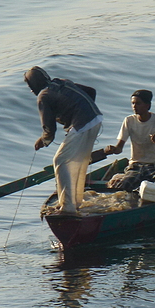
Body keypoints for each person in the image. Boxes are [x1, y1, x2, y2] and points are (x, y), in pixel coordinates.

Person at [24, 66, 102, 216]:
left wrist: (43, 141)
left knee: (60, 160)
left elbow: (49, 130)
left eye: (29, 86)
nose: (31, 90)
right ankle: (75, 202)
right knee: (77, 160)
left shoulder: (43, 96)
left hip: (83, 124)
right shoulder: (62, 82)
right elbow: (91, 91)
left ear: (33, 85)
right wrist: (83, 111)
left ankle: (67, 208)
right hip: (96, 119)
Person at [104, 89, 155, 191]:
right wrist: (112, 149)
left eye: (138, 103)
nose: (134, 106)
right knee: (125, 183)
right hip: (136, 166)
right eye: (133, 103)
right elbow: (119, 148)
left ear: (147, 105)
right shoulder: (129, 121)